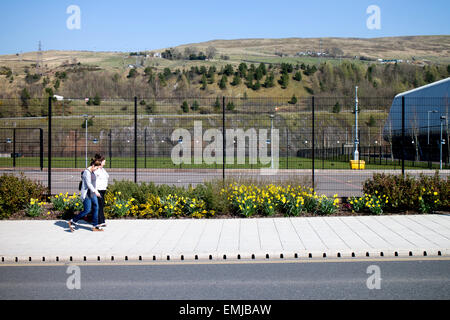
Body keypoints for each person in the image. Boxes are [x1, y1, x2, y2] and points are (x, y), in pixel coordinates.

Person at [68, 159, 104, 232]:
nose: (96, 170)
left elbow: (94, 184)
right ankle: (72, 221)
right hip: (87, 194)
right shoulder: (86, 172)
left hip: (92, 193)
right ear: (93, 166)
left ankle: (95, 225)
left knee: (96, 207)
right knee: (87, 210)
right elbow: (89, 184)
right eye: (96, 168)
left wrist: (96, 191)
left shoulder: (92, 172)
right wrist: (95, 192)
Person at [93, 154, 109, 227]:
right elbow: (93, 181)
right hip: (98, 190)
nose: (105, 161)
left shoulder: (103, 169)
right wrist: (95, 191)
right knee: (99, 205)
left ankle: (102, 220)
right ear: (101, 161)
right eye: (104, 160)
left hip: (103, 189)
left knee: (101, 205)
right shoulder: (97, 170)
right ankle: (100, 221)